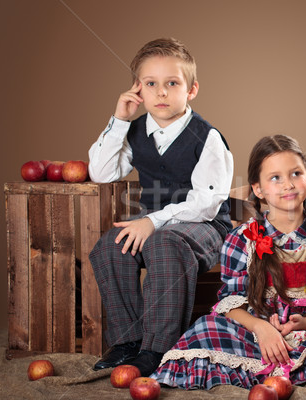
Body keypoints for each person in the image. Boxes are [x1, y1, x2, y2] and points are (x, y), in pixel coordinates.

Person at [151, 135, 306, 389]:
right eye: (275, 178)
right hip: (256, 336)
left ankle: (295, 364)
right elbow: (230, 304)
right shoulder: (242, 239)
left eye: (295, 174)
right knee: (205, 327)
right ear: (258, 189)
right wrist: (262, 329)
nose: (288, 185)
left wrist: (303, 323)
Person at [87, 38, 233, 377]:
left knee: (165, 243)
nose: (162, 93)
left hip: (206, 227)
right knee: (112, 245)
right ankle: (128, 341)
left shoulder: (207, 137)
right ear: (139, 90)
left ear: (191, 89)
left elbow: (207, 203)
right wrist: (120, 119)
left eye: (172, 83)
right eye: (151, 84)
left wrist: (152, 222)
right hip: (154, 224)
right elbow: (101, 172)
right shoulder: (135, 131)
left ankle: (157, 348)